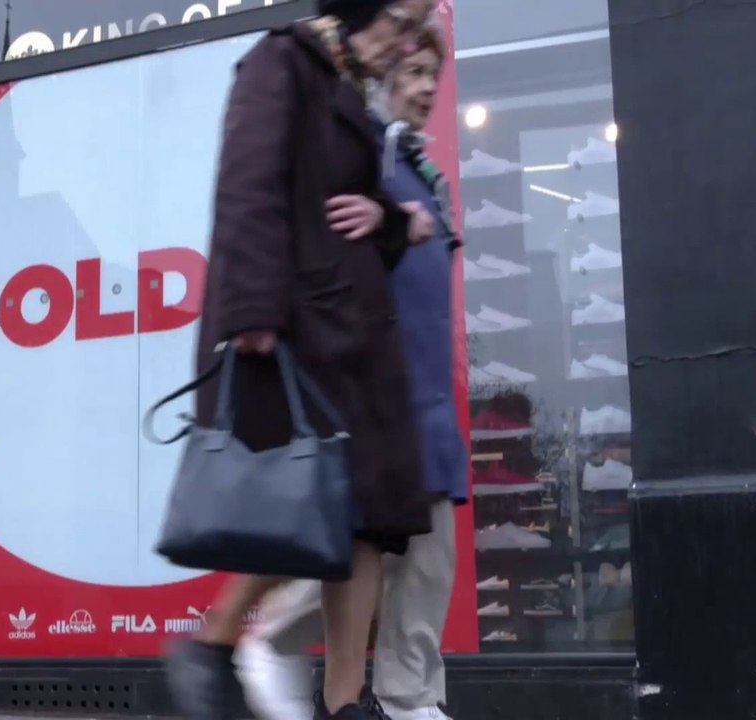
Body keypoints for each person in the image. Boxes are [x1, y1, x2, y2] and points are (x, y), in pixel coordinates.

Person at [165, 2, 435, 719]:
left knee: (369, 519)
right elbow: (247, 184)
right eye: (401, 21)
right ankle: (213, 644)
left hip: (352, 336)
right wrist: (250, 310)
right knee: (320, 505)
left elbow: (348, 208)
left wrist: (388, 219)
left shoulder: (343, 85)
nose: (406, 41)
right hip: (300, 333)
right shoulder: (281, 61)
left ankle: (349, 700)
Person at [234, 21, 468, 720]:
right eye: (415, 72)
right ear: (387, 72)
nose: (427, 88)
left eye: (435, 75)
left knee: (428, 561)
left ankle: (409, 696)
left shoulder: (428, 175)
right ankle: (269, 639)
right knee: (356, 551)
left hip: (425, 387)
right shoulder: (360, 152)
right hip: (374, 387)